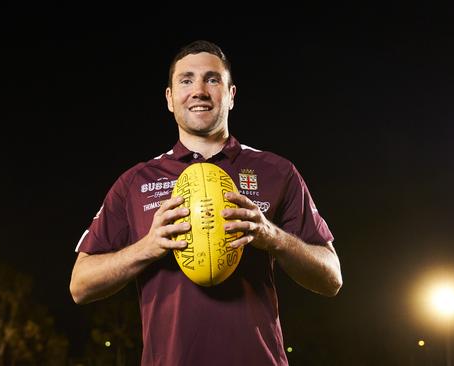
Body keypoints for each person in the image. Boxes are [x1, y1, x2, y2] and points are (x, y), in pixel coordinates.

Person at [70, 40, 342, 366]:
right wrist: (148, 247)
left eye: (212, 79)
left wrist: (273, 237)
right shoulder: (135, 182)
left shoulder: (277, 171)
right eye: (186, 80)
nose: (198, 90)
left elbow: (332, 278)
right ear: (170, 98)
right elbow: (80, 285)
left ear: (231, 95)